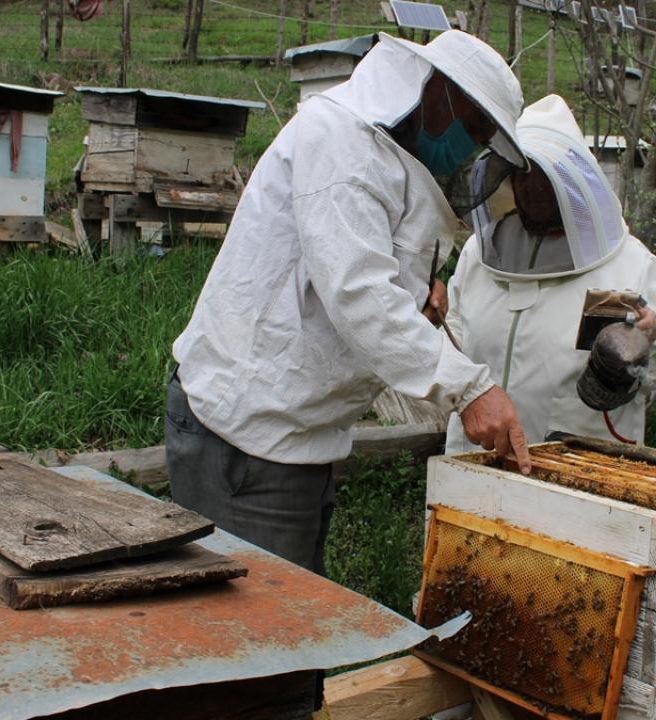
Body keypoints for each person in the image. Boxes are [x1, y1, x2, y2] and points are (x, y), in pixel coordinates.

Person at [166, 30, 533, 580]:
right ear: (438, 93)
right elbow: (357, 293)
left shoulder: (386, 156)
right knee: (254, 640)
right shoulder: (340, 139)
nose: (469, 147)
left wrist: (415, 299)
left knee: (295, 628)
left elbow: (359, 273)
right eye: (473, 127)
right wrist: (469, 387)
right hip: (246, 432)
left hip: (302, 433)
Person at [444, 95, 656, 453]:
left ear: (571, 185)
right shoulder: (480, 254)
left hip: (578, 471)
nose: (532, 188)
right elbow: (453, 335)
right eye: (522, 176)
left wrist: (650, 341)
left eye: (545, 177)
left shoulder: (626, 265)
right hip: (474, 459)